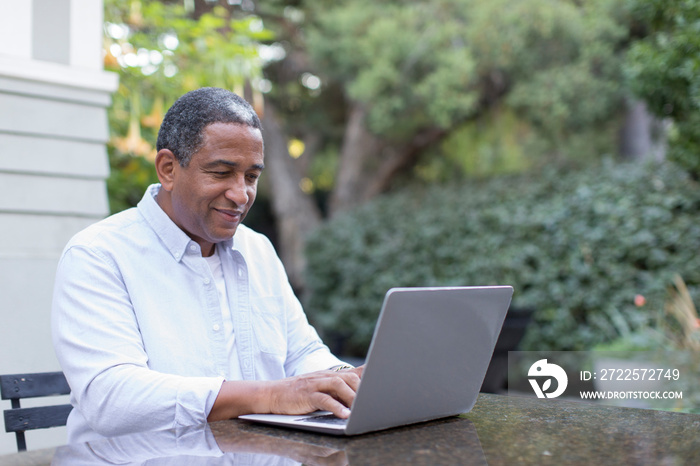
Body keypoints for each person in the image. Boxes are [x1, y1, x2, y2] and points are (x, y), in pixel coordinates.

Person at [51, 87, 362, 444]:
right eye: (221, 173)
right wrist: (272, 396)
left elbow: (301, 353)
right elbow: (112, 397)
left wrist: (346, 379)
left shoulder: (257, 249)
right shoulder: (98, 254)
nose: (240, 193)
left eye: (251, 177)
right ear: (168, 168)